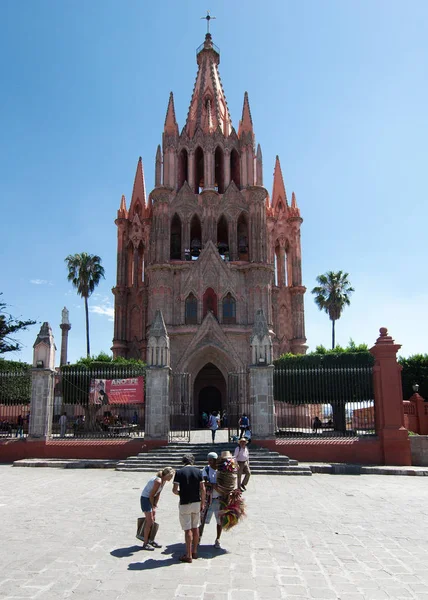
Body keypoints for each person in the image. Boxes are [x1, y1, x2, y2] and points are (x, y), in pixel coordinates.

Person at [173, 453, 206, 563]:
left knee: (187, 529)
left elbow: (174, 490)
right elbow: (203, 489)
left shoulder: (179, 472)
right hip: (197, 502)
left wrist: (181, 493)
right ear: (193, 461)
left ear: (183, 461)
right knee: (195, 527)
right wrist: (203, 502)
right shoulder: (198, 472)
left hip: (185, 502)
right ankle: (195, 551)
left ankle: (188, 554)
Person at [139, 467, 175, 551]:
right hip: (145, 499)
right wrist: (152, 506)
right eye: (170, 476)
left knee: (153, 519)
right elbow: (151, 495)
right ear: (166, 475)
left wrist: (155, 505)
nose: (171, 478)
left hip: (151, 499)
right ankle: (145, 543)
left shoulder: (163, 481)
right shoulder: (158, 481)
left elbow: (158, 493)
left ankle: (151, 540)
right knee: (150, 521)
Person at [199, 451, 222, 549]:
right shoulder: (206, 469)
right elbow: (204, 482)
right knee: (202, 520)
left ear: (216, 460)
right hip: (208, 499)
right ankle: (199, 537)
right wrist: (213, 485)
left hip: (219, 499)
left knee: (220, 521)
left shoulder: (222, 469)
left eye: (211, 460)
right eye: (208, 460)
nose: (209, 462)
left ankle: (218, 539)